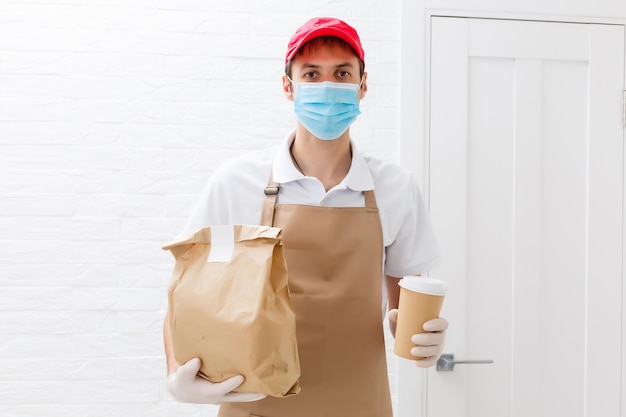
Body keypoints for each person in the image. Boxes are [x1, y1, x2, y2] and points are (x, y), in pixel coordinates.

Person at [163, 16, 448, 417]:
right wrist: (177, 372)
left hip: (359, 403)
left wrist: (423, 341)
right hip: (255, 403)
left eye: (342, 73)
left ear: (363, 86)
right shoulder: (235, 182)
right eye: (311, 74)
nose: (327, 87)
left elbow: (406, 313)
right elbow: (188, 294)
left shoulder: (395, 188)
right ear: (288, 86)